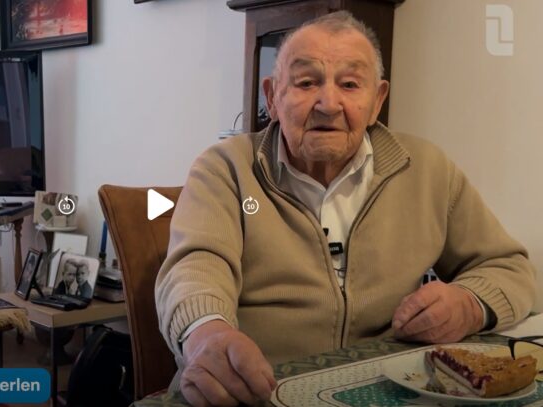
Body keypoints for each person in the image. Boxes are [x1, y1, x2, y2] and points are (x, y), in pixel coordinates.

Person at [155, 10, 537, 407]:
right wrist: (207, 333)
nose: (328, 103)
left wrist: (469, 304)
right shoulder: (226, 168)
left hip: (385, 389)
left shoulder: (428, 170)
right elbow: (196, 266)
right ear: (272, 96)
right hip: (253, 389)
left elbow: (509, 268)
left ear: (377, 101)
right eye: (306, 82)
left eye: (350, 84)